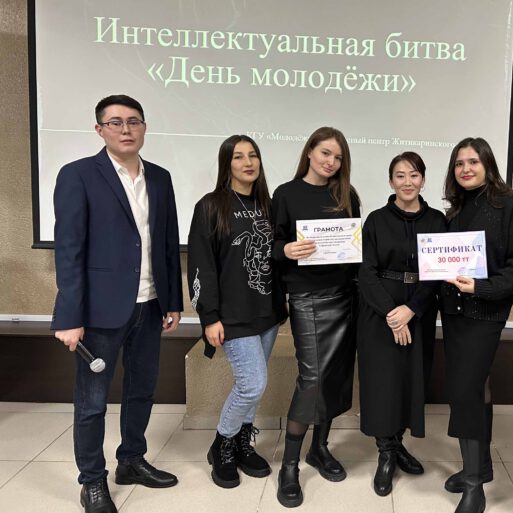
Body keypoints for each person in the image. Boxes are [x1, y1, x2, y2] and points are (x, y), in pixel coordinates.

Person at [52, 95, 182, 513]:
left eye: (134, 121)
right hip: (98, 311)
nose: (126, 129)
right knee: (92, 403)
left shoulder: (159, 177)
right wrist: (70, 315)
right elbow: (69, 251)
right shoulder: (78, 175)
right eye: (115, 122)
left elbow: (166, 243)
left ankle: (131, 461)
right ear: (100, 130)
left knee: (142, 390)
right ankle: (92, 481)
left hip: (150, 304)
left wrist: (173, 301)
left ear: (144, 127)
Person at [187, 135, 288, 489]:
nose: (248, 162)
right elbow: (202, 264)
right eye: (239, 156)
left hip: (267, 312)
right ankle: (222, 444)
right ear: (226, 164)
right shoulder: (211, 206)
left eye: (253, 155)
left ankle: (243, 443)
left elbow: (279, 253)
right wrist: (209, 316)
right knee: (252, 383)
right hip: (232, 316)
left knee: (252, 387)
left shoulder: (269, 206)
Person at [440, 137, 513, 513]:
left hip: (485, 313)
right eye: (459, 163)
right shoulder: (455, 211)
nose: (466, 169)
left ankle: (474, 487)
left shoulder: (510, 204)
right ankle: (480, 466)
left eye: (473, 162)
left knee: (466, 392)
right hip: (454, 314)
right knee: (474, 388)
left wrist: (481, 288)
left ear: (488, 165)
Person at [271, 126, 360, 508]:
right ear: (309, 152)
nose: (331, 162)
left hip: (345, 297)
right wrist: (286, 249)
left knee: (336, 376)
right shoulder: (285, 194)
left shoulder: (348, 195)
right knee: (312, 378)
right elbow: (271, 244)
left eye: (338, 157)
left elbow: (356, 246)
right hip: (307, 299)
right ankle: (289, 465)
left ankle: (319, 449)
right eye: (325, 153)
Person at [357, 152, 447, 496]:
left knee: (411, 379)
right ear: (390, 181)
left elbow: (437, 272)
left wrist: (411, 310)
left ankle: (397, 444)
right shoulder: (376, 220)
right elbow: (366, 272)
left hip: (419, 310)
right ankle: (385, 453)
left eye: (414, 175)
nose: (407, 182)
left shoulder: (437, 220)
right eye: (400, 175)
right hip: (379, 311)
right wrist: (392, 314)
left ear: (423, 179)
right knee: (383, 381)